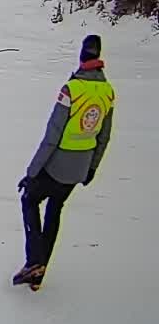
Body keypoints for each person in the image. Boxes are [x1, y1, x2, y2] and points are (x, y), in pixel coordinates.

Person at [14, 34, 115, 289]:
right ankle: (39, 271)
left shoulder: (72, 89)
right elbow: (104, 137)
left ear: (81, 57)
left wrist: (32, 172)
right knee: (55, 209)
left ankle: (34, 261)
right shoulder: (108, 92)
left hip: (57, 165)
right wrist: (92, 168)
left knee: (29, 199)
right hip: (80, 168)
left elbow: (52, 136)